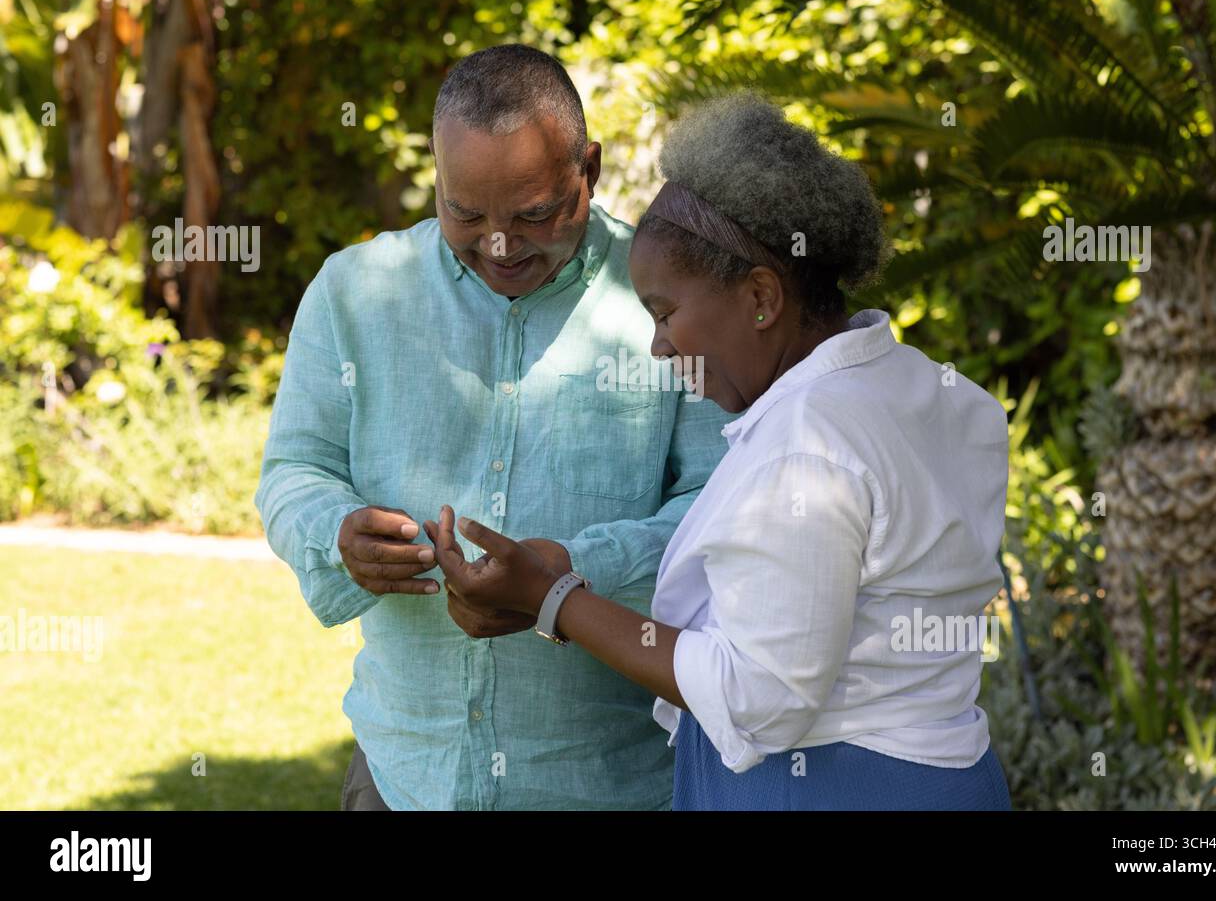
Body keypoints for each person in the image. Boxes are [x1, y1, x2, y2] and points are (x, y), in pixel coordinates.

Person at [429, 92, 1013, 810]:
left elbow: (757, 697)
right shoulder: (943, 394)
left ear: (761, 298)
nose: (657, 345)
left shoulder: (807, 448)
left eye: (666, 312)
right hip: (951, 777)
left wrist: (552, 598)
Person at [254, 44, 734, 810]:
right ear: (436, 179)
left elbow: (719, 506)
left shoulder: (672, 302)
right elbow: (292, 470)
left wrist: (568, 578)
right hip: (402, 773)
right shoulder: (353, 292)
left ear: (592, 171)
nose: (501, 246)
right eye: (465, 213)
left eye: (535, 213)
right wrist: (335, 530)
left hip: (604, 784)